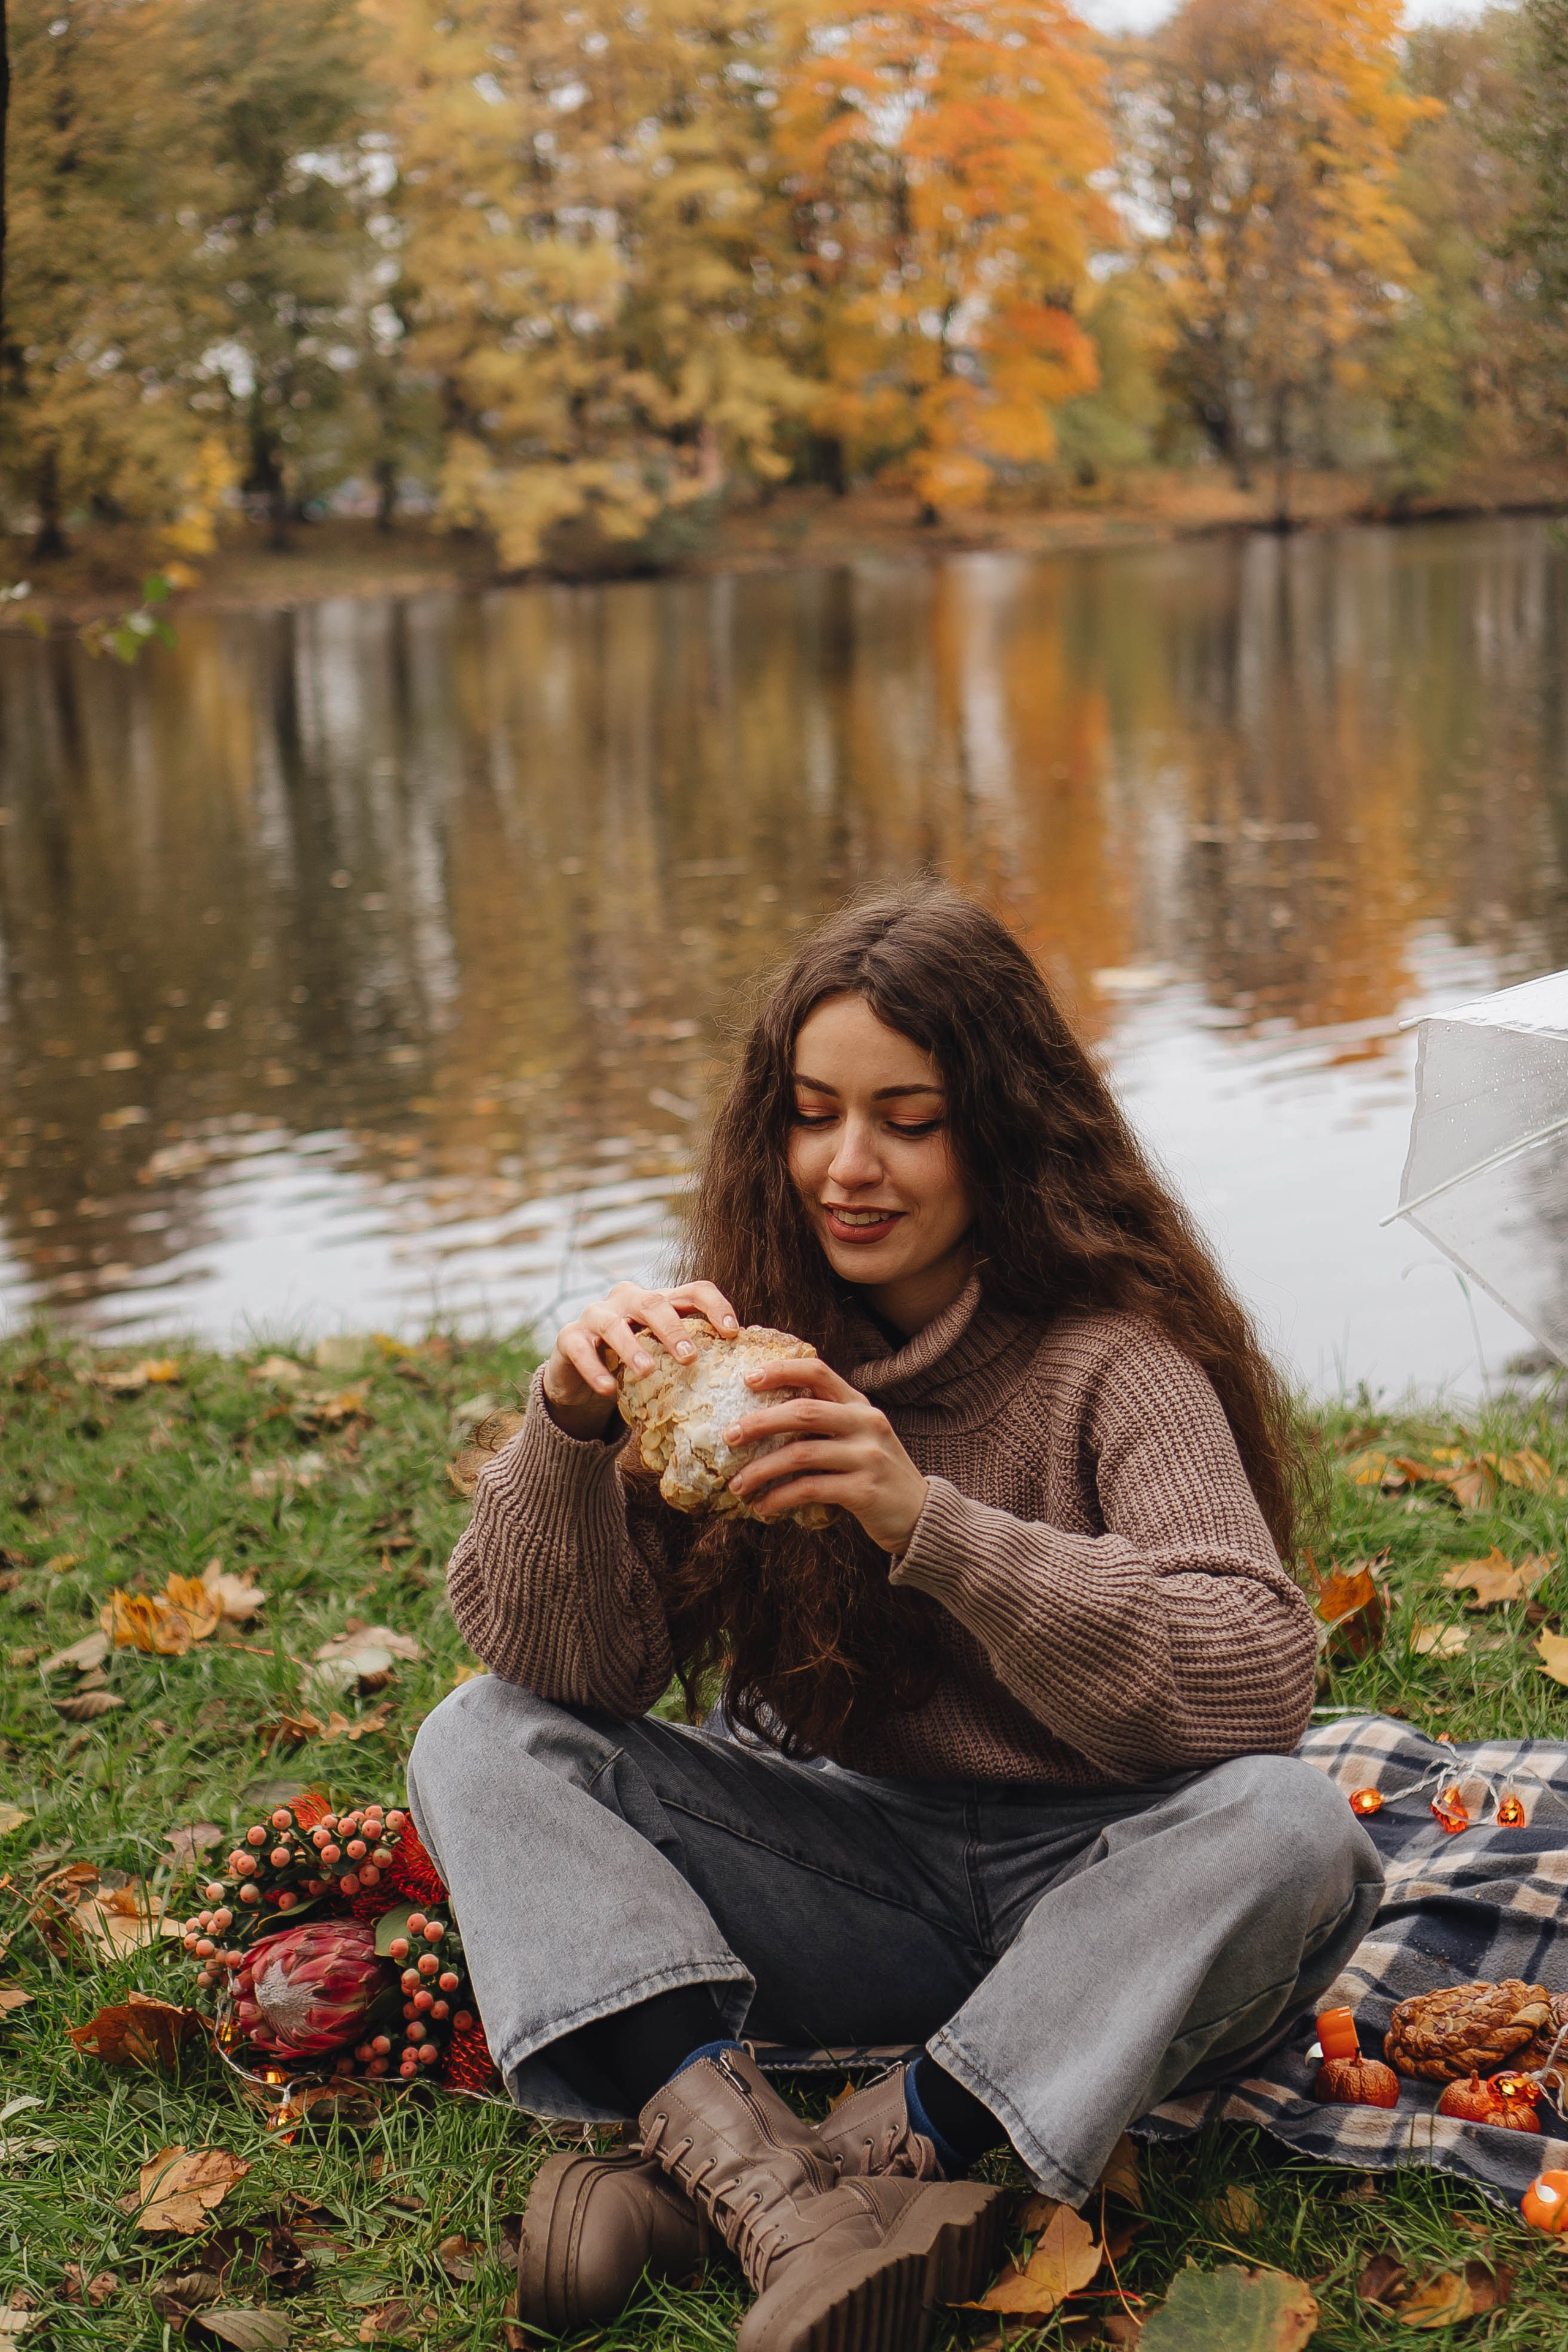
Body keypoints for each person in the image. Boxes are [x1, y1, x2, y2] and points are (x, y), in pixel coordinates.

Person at [409, 887, 1383, 2352]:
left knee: (1295, 1830)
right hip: (852, 1872)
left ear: (999, 1127)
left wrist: (924, 1523)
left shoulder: (1115, 1364)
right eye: (812, 1114)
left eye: (906, 1119)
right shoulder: (734, 1356)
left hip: (1111, 1894)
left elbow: (1254, 1681)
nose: (847, 1167)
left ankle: (868, 2152)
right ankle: (771, 2193)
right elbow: (573, 1673)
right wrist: (563, 1432)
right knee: (480, 1737)